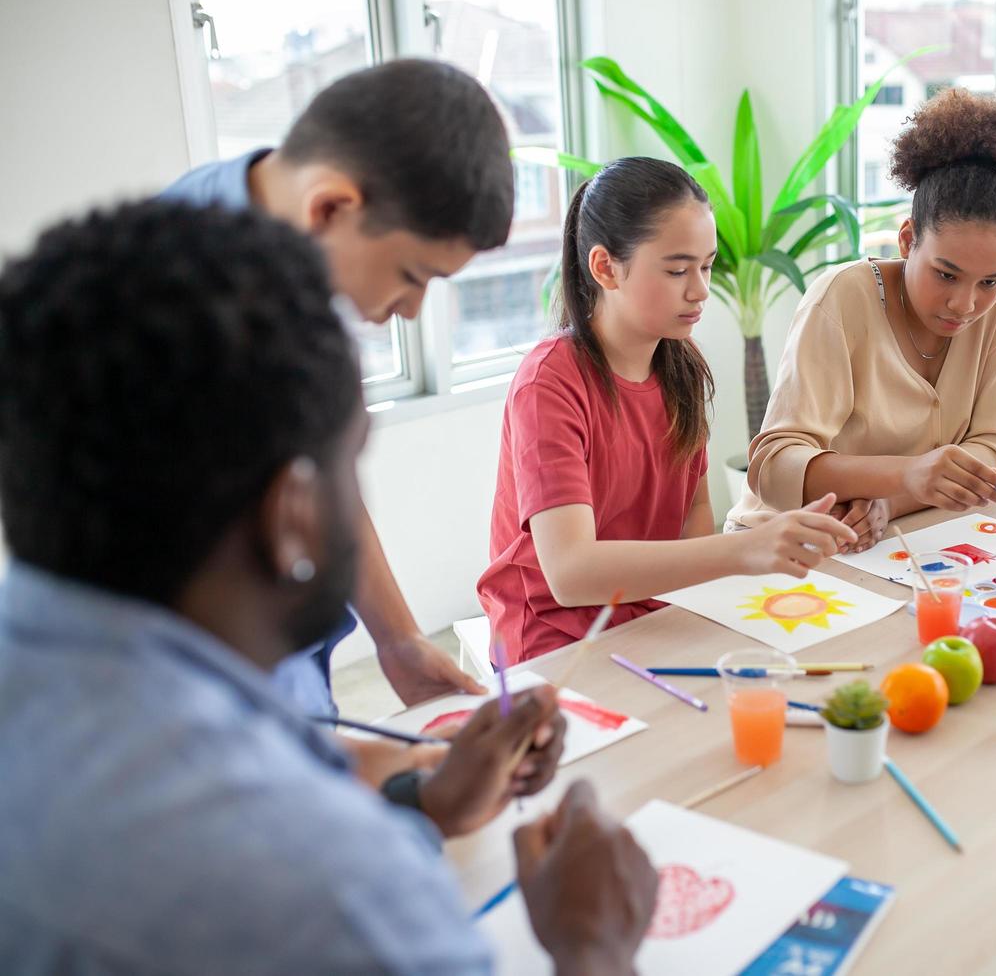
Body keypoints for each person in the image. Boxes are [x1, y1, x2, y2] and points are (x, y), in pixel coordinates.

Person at [0, 201, 657, 973]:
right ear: (292, 514)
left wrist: (427, 799)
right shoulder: (338, 893)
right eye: (353, 463)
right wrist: (594, 945)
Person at [161, 58, 519, 713]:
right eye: (414, 275)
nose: (411, 311)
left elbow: (325, 472)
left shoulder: (301, 247)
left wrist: (398, 639)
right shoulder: (172, 298)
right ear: (331, 206)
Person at [479, 157, 857, 664]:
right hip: (555, 637)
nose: (700, 289)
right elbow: (569, 574)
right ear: (605, 267)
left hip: (653, 615)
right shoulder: (549, 382)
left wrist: (701, 599)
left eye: (706, 265)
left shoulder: (680, 366)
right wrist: (741, 551)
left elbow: (694, 511)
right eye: (678, 269)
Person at [725, 90, 996, 549]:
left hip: (900, 534)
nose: (965, 304)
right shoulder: (842, 298)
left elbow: (992, 442)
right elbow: (774, 465)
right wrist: (905, 474)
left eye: (989, 281)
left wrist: (888, 502)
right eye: (946, 274)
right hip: (783, 542)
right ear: (907, 240)